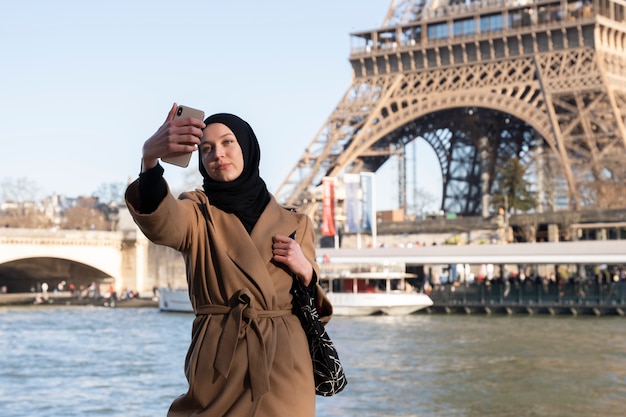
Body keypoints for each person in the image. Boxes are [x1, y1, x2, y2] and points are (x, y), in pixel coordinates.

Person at [125, 103, 333, 417]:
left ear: (248, 148)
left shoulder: (297, 223)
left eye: (227, 143)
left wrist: (306, 272)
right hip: (221, 366)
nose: (217, 154)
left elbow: (316, 312)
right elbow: (163, 222)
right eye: (206, 149)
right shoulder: (197, 213)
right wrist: (150, 159)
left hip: (286, 367)